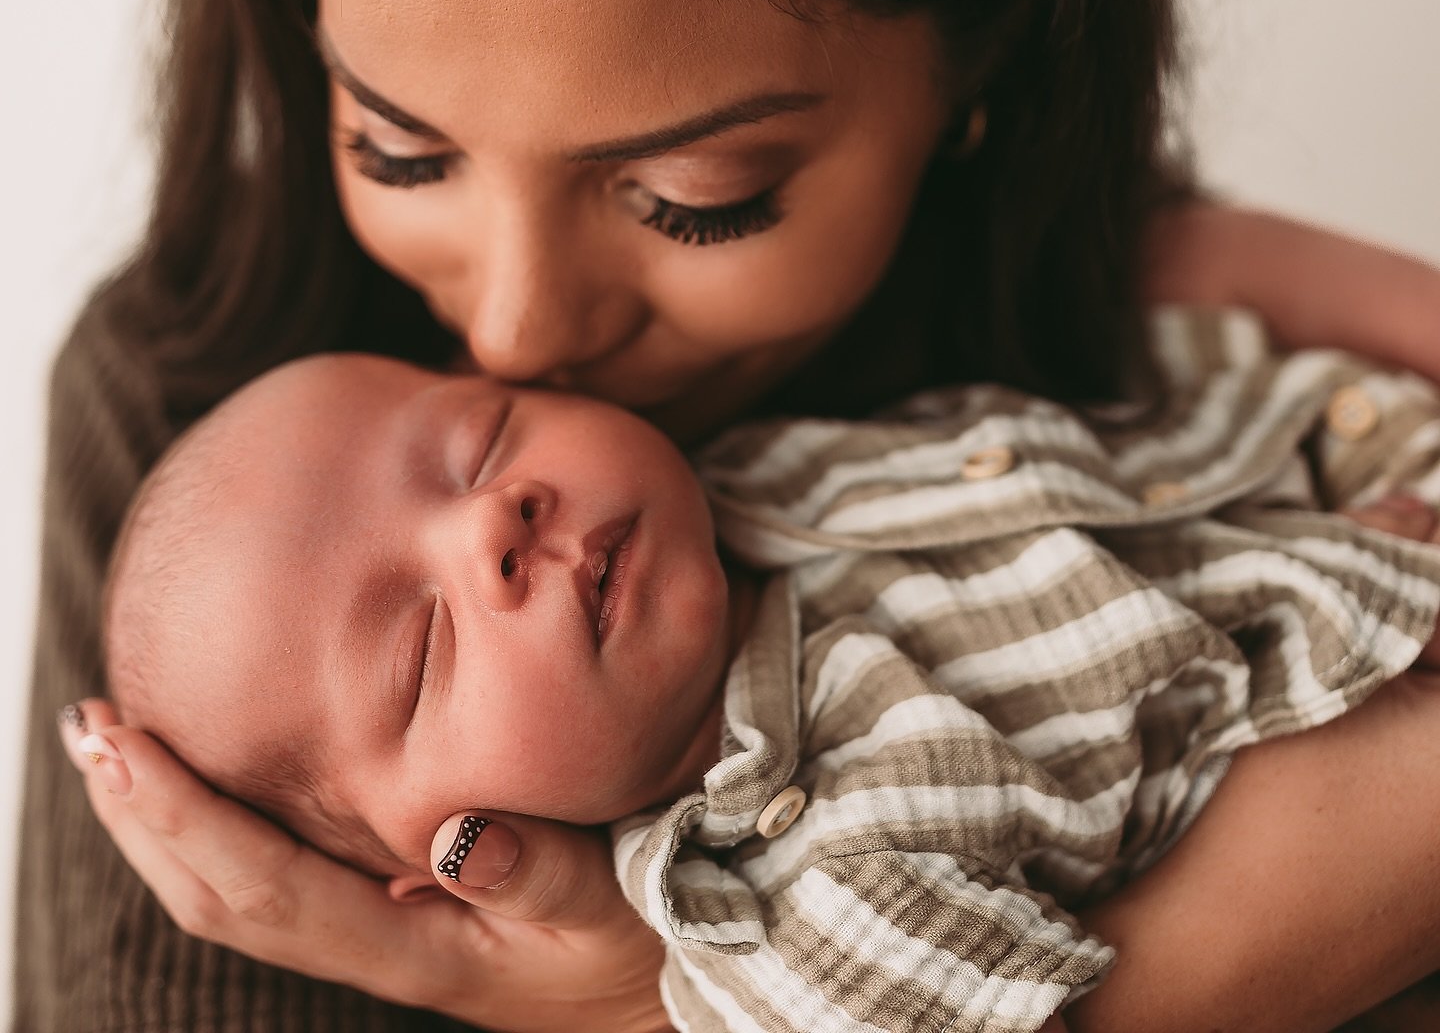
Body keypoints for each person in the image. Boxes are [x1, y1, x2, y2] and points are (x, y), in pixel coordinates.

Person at [23, 0, 1440, 1031]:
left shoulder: (1128, 306)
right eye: (397, 147)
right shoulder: (186, 443)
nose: (513, 336)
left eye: (696, 193)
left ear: (978, 50)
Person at [96, 306, 1440, 1033]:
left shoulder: (777, 463)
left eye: (481, 442)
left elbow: (1154, 431)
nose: (490, 525)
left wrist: (1339, 494)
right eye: (425, 645)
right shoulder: (780, 923)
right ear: (443, 848)